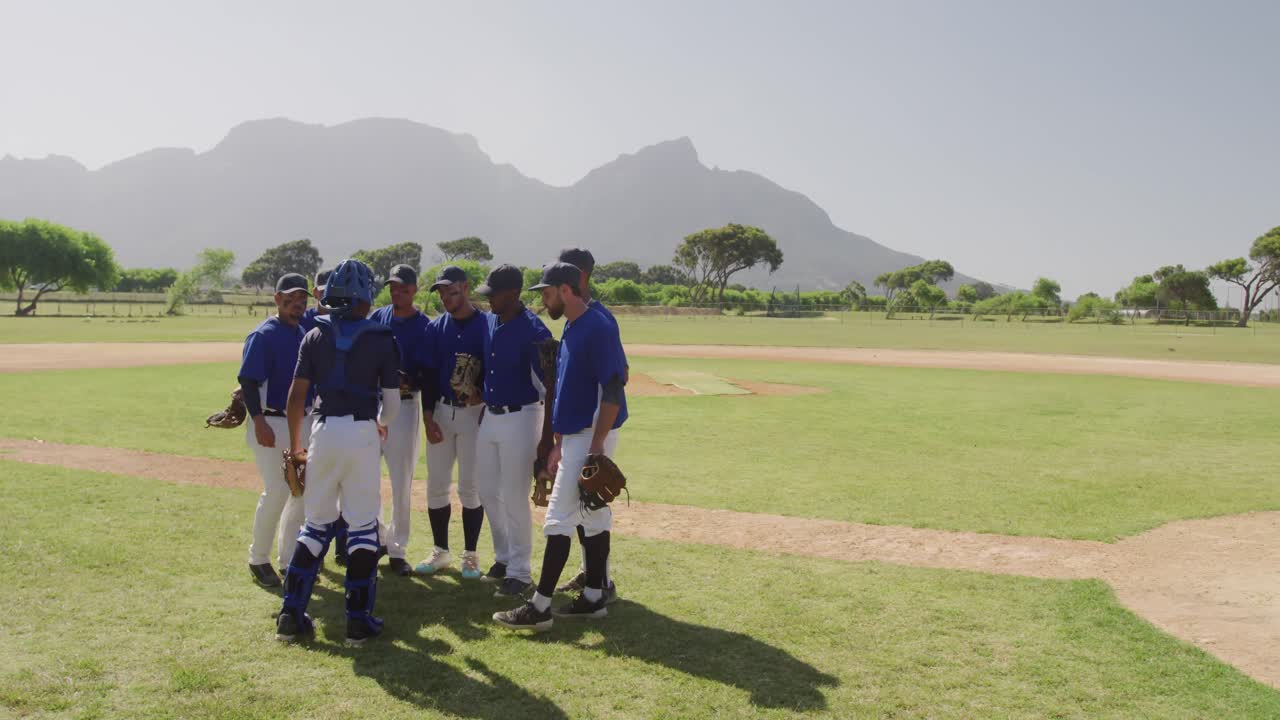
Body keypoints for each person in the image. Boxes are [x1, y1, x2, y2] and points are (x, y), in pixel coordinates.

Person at [493, 262, 628, 630]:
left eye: (548, 293)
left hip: (590, 435)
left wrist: (596, 445)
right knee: (594, 516)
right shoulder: (572, 325)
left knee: (557, 520)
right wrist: (559, 443)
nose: (544, 300)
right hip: (578, 435)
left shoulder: (597, 327)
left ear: (566, 289)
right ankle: (595, 596)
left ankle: (539, 607)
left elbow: (614, 388)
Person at [275, 259, 401, 646]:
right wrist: (381, 423)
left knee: (315, 524)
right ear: (364, 298)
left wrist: (297, 445)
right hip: (361, 432)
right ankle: (358, 623)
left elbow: (296, 397)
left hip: (322, 431)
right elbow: (393, 403)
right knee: (362, 527)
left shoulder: (314, 336)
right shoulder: (382, 338)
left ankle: (290, 617)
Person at [473, 265, 553, 598]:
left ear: (514, 294)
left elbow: (550, 389)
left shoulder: (536, 332)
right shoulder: (492, 321)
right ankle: (504, 558)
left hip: (523, 416)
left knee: (515, 495)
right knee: (488, 490)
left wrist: (546, 442)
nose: (489, 298)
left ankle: (520, 573)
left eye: (494, 293)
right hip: (490, 415)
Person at [553, 248, 625, 602]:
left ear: (580, 277)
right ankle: (593, 578)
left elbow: (619, 376)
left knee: (589, 504)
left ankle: (601, 582)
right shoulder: (574, 318)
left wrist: (597, 441)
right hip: (579, 428)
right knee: (587, 509)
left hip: (594, 428)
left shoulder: (599, 320)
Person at [415, 266, 488, 579]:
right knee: (437, 485)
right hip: (443, 412)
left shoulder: (487, 324)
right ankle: (440, 551)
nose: (446, 297)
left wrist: (483, 392)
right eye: (441, 292)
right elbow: (428, 376)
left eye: (452, 291)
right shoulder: (436, 327)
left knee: (470, 488)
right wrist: (428, 416)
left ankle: (470, 554)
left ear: (466, 288)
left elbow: (495, 368)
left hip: (475, 414)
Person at [240, 272, 311, 587]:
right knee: (278, 490)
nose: (296, 303)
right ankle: (258, 559)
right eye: (290, 298)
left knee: (300, 492)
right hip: (271, 421)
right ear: (276, 299)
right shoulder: (264, 334)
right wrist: (258, 421)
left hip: (300, 421)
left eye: (301, 299)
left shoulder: (303, 332)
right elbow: (248, 381)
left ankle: (290, 558)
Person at [369, 264, 431, 576]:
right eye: (393, 286)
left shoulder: (424, 325)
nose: (397, 292)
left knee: (401, 479)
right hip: (374, 404)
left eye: (403, 288)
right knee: (366, 475)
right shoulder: (377, 316)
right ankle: (378, 536)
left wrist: (413, 378)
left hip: (406, 405)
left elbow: (430, 370)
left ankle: (398, 549)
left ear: (414, 290)